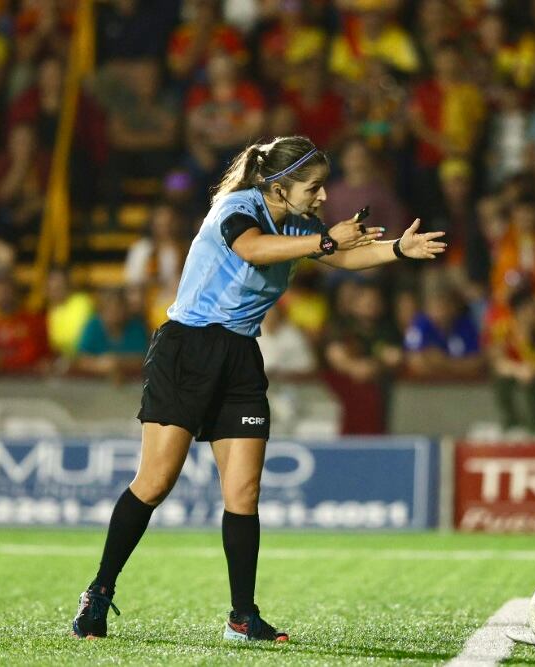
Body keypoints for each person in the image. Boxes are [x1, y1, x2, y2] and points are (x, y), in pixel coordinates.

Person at [70, 135, 445, 642]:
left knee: (244, 492)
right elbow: (252, 249)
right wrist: (326, 240)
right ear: (278, 184)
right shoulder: (237, 206)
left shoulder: (299, 223)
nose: (320, 196)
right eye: (313, 187)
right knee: (156, 482)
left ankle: (242, 616)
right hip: (189, 349)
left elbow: (340, 258)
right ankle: (99, 592)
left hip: (241, 356)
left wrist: (398, 249)